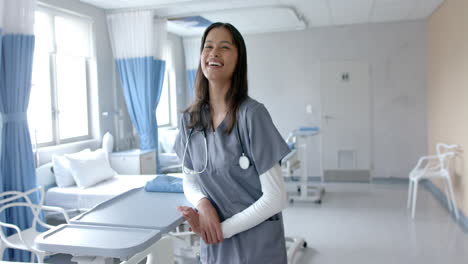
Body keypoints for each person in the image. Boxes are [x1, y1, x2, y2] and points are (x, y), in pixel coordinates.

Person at [173, 22, 291, 264]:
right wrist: (203, 205)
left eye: (224, 47)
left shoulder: (252, 115)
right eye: (208, 46)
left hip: (255, 246)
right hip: (215, 245)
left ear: (239, 60)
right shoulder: (190, 120)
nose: (214, 53)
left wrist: (217, 230)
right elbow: (190, 179)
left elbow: (276, 197)